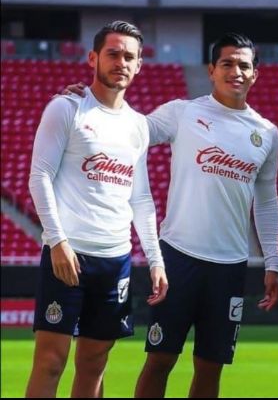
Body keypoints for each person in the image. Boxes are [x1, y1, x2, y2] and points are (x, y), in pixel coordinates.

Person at [66, 33, 278, 398]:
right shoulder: (183, 112)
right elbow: (125, 131)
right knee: (160, 359)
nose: (236, 71)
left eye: (244, 65)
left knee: (211, 368)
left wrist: (272, 261)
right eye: (227, 63)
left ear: (255, 74)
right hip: (179, 258)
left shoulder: (266, 133)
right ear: (211, 71)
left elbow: (266, 201)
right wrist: (90, 101)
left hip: (230, 266)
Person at [26, 21, 168, 398]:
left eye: (129, 56)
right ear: (93, 58)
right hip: (68, 255)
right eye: (113, 53)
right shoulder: (66, 108)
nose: (121, 62)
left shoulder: (138, 126)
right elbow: (38, 176)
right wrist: (57, 241)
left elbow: (141, 198)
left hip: (115, 260)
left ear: (139, 65)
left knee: (94, 364)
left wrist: (155, 259)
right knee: (51, 361)